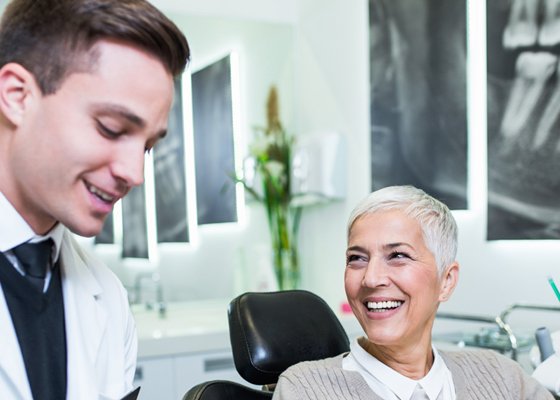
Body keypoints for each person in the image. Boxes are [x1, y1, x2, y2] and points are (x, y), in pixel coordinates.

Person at [0, 0, 189, 399]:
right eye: (112, 128)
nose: (134, 175)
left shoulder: (109, 297)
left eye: (148, 147)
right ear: (17, 96)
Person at [272, 185, 553, 400]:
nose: (371, 278)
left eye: (397, 255)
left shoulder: (501, 377)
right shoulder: (307, 390)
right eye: (357, 258)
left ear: (446, 281)